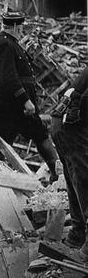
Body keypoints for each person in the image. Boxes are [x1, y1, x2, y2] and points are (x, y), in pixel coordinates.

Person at [0, 11, 58, 182]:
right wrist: (25, 99)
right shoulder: (4, 43)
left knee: (39, 133)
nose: (22, 30)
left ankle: (57, 174)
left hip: (16, 104)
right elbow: (9, 76)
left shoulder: (10, 42)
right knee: (1, 141)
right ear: (15, 26)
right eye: (21, 27)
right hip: (9, 104)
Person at [51, 67, 88, 260]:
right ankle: (84, 249)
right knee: (83, 181)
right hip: (72, 128)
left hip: (66, 125)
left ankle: (77, 235)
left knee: (77, 181)